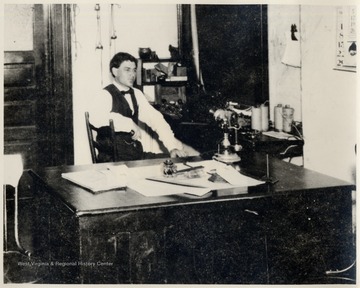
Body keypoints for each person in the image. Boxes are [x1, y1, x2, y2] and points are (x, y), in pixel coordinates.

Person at [89, 52, 189, 162]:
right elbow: (96, 118)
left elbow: (156, 119)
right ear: (115, 71)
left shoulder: (137, 94)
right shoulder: (105, 94)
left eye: (134, 70)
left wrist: (172, 147)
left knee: (175, 161)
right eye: (127, 70)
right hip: (114, 161)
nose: (132, 74)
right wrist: (128, 123)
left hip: (135, 157)